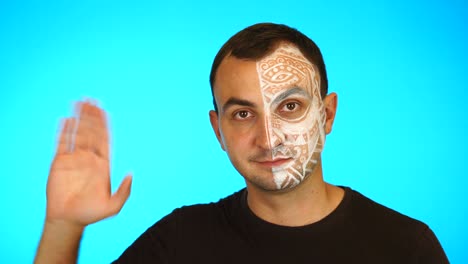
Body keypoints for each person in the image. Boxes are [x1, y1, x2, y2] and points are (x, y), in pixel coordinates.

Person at [35, 23, 449, 263]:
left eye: (289, 106)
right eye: (243, 114)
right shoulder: (181, 242)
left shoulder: (406, 246)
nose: (268, 139)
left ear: (327, 115)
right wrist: (63, 226)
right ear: (219, 131)